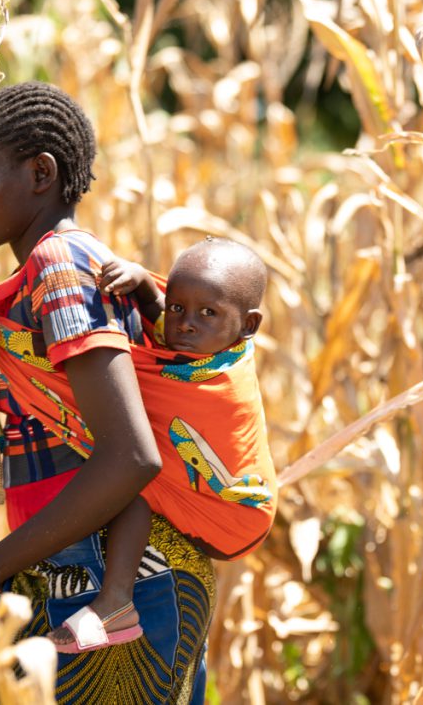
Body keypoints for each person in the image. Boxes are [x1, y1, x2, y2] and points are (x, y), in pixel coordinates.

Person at [0, 82, 215, 703]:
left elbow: (129, 457)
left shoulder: (60, 267)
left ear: (41, 173)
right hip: (85, 571)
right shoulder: (51, 268)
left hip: (117, 582)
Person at [45, 237, 272, 653]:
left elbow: (142, 378)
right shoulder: (205, 350)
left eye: (208, 312)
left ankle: (115, 603)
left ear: (248, 325)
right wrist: (149, 291)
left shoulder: (222, 384)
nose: (185, 323)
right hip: (212, 501)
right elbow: (165, 336)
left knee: (129, 476)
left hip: (235, 512)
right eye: (177, 307)